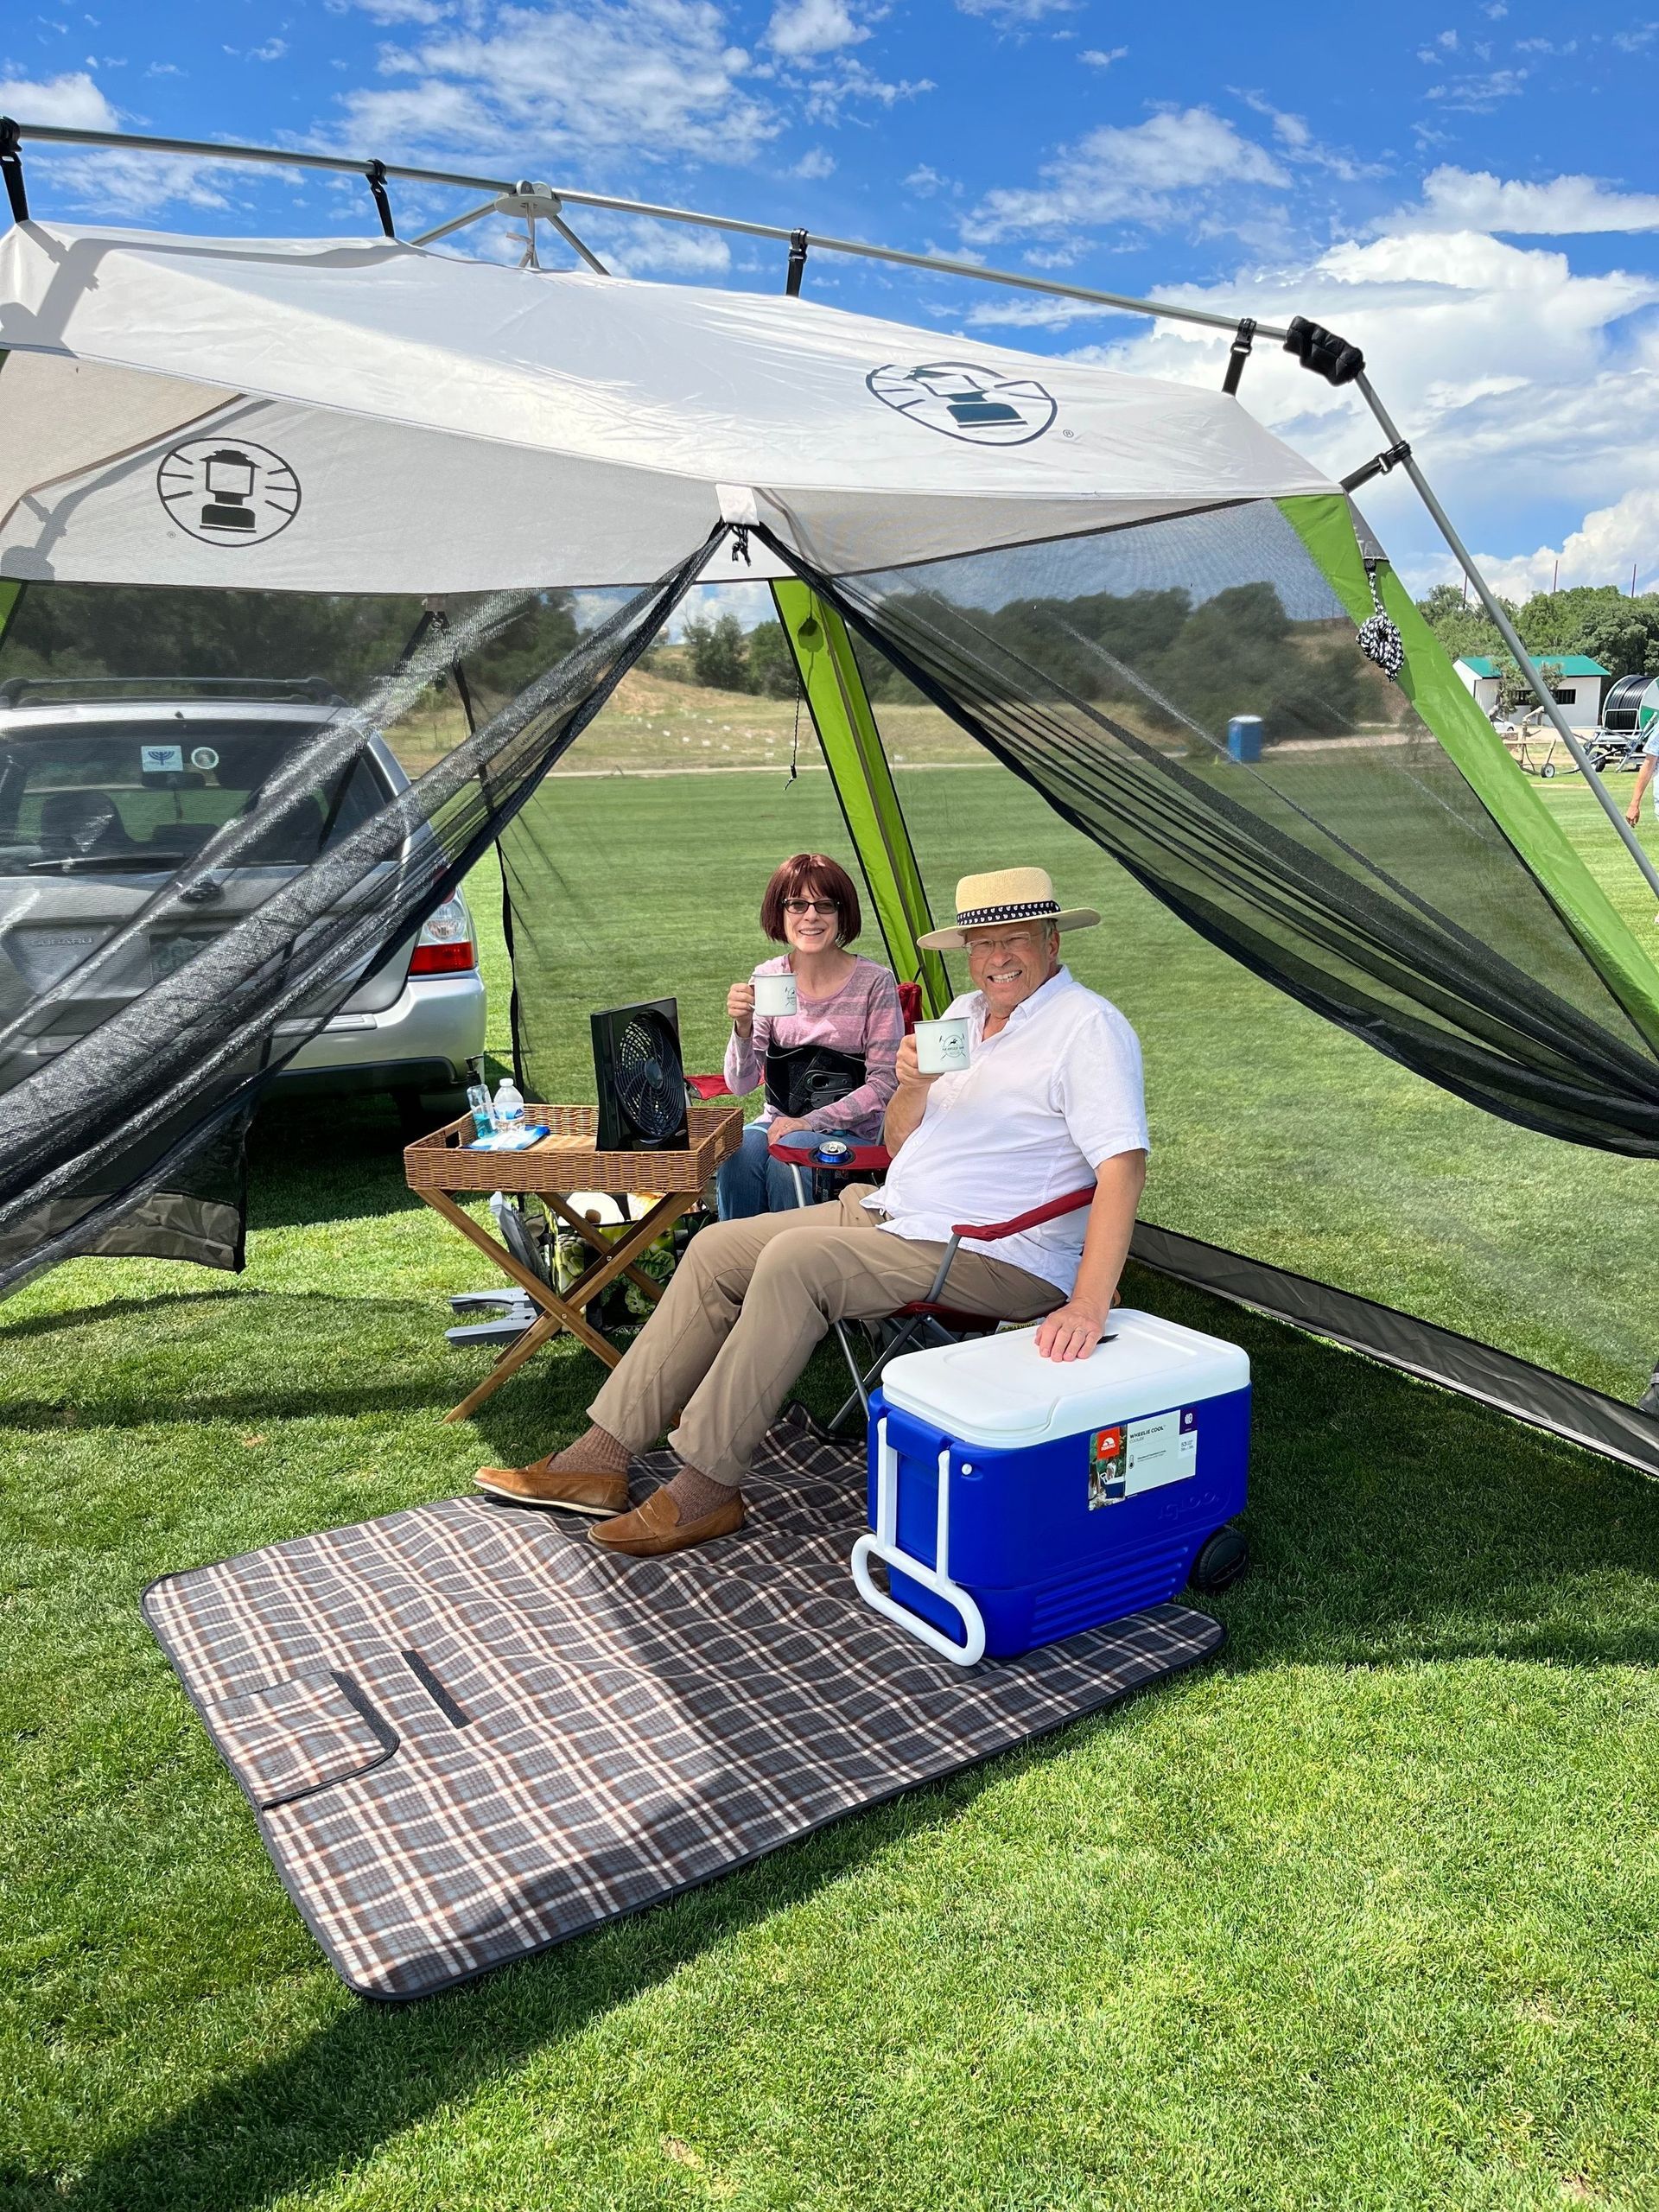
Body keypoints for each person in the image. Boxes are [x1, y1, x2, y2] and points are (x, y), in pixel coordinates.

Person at [477, 865, 1149, 1561]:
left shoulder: (1087, 1028)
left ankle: (707, 1486)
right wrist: (913, 1088)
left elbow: (1121, 1167)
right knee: (717, 1249)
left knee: (799, 1263)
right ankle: (599, 1458)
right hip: (897, 1213)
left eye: (1016, 939)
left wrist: (1089, 1303)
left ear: (1052, 943)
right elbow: (896, 1141)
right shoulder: (963, 1018)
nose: (997, 958)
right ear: (966, 952)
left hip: (996, 1250)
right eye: (982, 943)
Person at [715, 853, 904, 1220]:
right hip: (777, 1122)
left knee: (795, 1148)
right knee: (739, 1149)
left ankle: (794, 1267)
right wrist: (741, 1028)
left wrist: (809, 1123)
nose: (811, 916)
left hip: (852, 1135)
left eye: (825, 905)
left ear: (842, 913)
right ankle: (734, 1263)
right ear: (780, 913)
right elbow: (741, 1085)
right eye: (797, 904)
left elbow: (885, 1084)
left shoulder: (874, 983)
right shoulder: (769, 978)